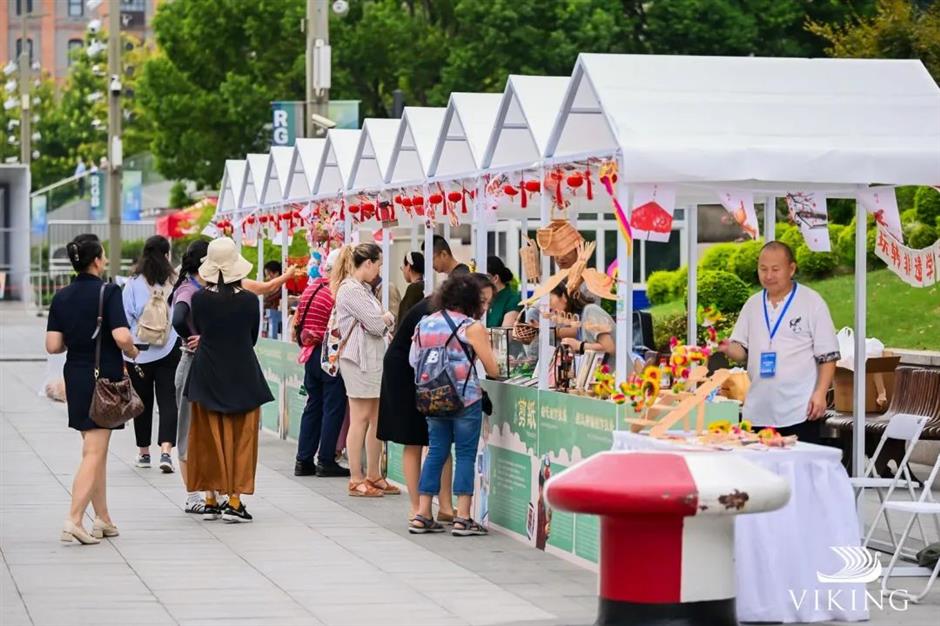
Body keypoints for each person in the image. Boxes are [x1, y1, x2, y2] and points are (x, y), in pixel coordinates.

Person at [46, 234, 140, 544]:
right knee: (94, 451)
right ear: (97, 260)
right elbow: (122, 335)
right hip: (104, 379)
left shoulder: (61, 296)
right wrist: (134, 353)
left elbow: (53, 345)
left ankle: (103, 518)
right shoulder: (108, 291)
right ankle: (74, 519)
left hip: (75, 375)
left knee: (94, 448)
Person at [184, 237, 274, 522]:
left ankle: (211, 498)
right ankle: (234, 501)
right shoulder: (249, 300)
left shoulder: (198, 299)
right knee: (242, 438)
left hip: (206, 372)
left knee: (207, 436)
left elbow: (199, 329)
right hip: (243, 373)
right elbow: (252, 338)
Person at [718, 241, 839, 444]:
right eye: (763, 269)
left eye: (775, 269)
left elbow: (828, 356)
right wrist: (724, 346)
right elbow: (742, 352)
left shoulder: (812, 302)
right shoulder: (752, 304)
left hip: (799, 410)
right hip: (757, 411)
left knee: (797, 472)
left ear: (791, 269)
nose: (768, 276)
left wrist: (820, 393)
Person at [409, 274, 500, 536]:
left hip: (432, 396)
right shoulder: (471, 327)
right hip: (465, 398)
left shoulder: (425, 323)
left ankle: (422, 513)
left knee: (436, 451)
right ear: (472, 300)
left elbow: (414, 360)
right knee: (465, 454)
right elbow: (492, 368)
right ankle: (463, 518)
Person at [331, 243, 397, 497]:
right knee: (360, 419)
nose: (379, 269)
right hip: (360, 361)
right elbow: (376, 324)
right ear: (367, 263)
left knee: (375, 419)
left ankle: (373, 474)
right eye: (378, 264)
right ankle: (356, 477)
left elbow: (377, 322)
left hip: (370, 360)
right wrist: (387, 318)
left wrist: (384, 319)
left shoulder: (362, 289)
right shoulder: (351, 290)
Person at [123, 235, 181, 473]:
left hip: (139, 352)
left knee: (142, 402)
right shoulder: (175, 281)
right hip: (169, 349)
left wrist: (126, 350)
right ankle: (166, 452)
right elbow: (180, 315)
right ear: (167, 255)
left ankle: (144, 453)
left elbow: (125, 318)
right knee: (168, 401)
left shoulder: (133, 282)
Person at [293, 249, 350, 478]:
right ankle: (326, 459)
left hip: (310, 352)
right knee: (333, 407)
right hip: (328, 353)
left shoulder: (311, 288)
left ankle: (303, 459)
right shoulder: (335, 292)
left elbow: (297, 320)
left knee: (313, 405)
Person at [170, 239, 210, 514]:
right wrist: (191, 337)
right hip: (191, 363)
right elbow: (178, 318)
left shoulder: (204, 289)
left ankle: (208, 491)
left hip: (206, 365)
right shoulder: (188, 289)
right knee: (187, 430)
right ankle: (192, 494)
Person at [549, 280, 616, 362]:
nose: (549, 307)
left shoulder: (590, 311)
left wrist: (578, 345)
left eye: (550, 300)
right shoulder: (580, 318)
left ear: (563, 296)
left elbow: (609, 348)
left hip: (618, 373)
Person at [485, 256, 521, 328]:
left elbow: (506, 334)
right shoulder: (482, 297)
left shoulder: (513, 299)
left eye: (484, 277)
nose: (479, 281)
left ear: (495, 278)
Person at [397, 252, 425, 329]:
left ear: (408, 267)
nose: (402, 270)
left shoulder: (414, 289)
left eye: (403, 267)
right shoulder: (424, 286)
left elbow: (405, 320)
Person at [263, 261, 283, 339]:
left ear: (277, 273)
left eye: (269, 275)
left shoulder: (283, 289)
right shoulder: (267, 288)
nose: (267, 278)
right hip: (266, 322)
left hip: (278, 324)